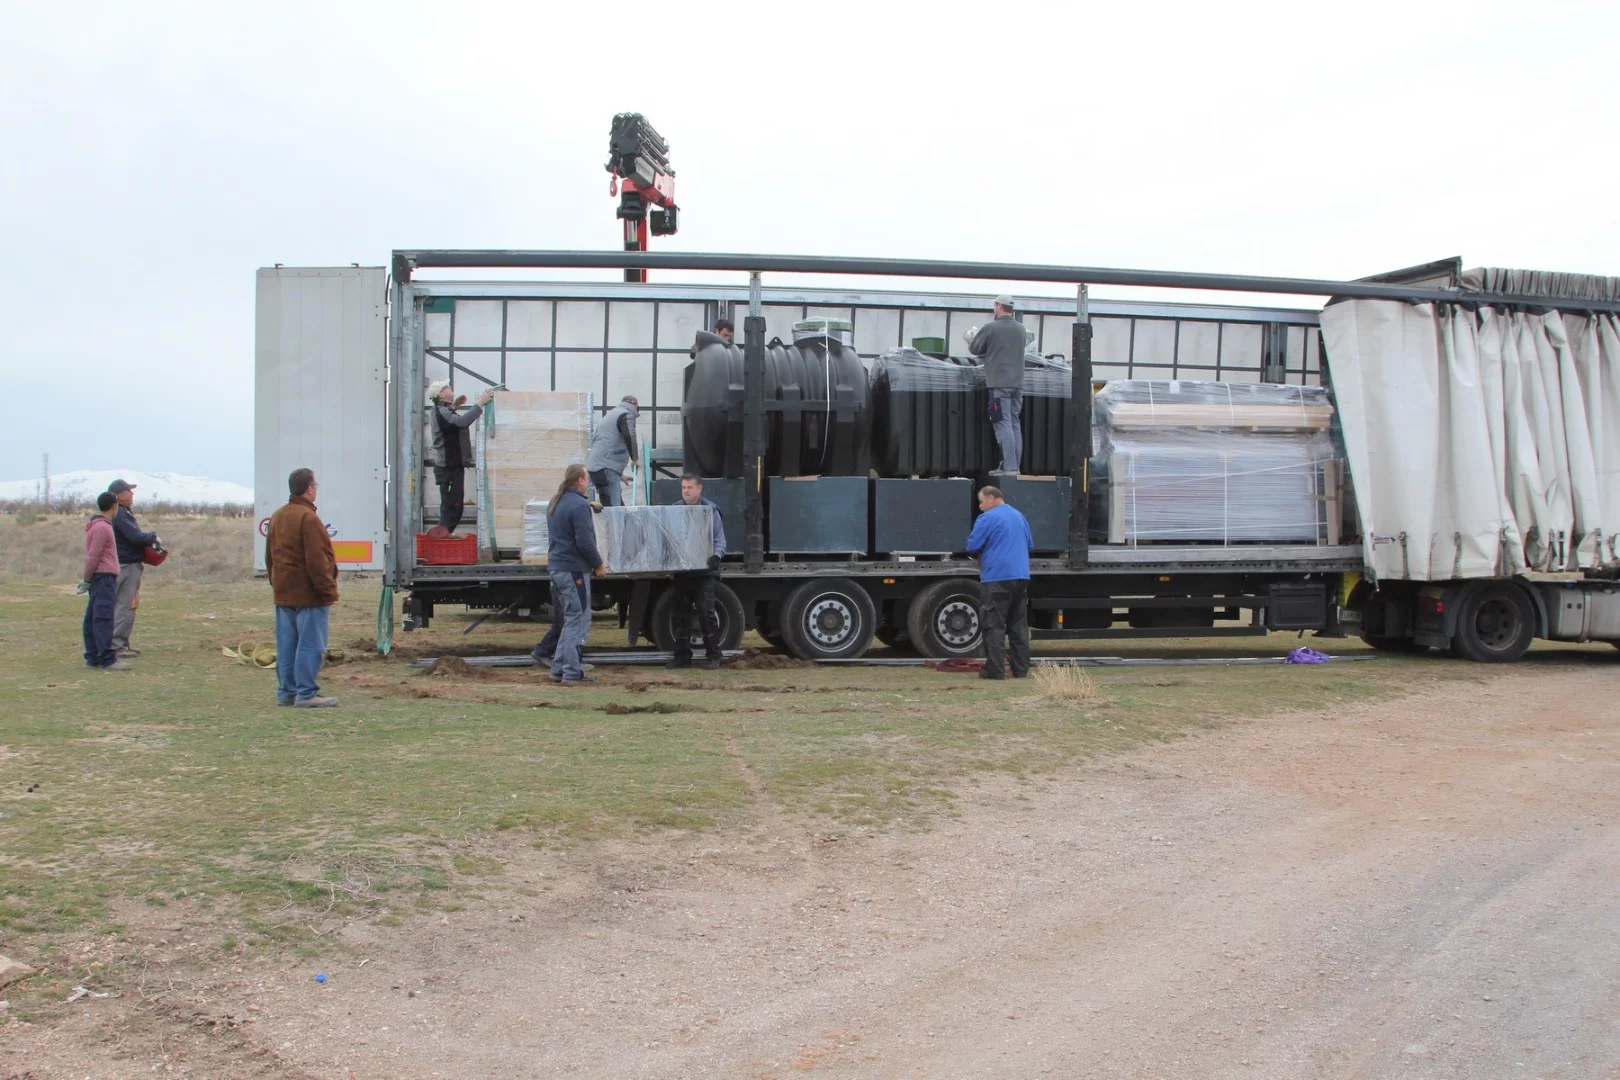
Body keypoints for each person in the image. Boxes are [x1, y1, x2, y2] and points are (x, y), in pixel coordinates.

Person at [265, 468, 340, 707]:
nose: (316, 489)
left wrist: (276, 583)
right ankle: (307, 694)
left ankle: (287, 692)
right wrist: (328, 591)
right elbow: (318, 560)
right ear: (309, 489)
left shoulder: (277, 516)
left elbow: (270, 556)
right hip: (309, 594)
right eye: (315, 485)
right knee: (310, 645)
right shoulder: (309, 518)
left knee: (287, 645)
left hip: (284, 592)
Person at [546, 463, 607, 684]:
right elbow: (585, 542)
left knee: (570, 619)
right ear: (580, 480)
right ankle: (572, 672)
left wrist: (587, 505)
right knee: (579, 620)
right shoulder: (578, 506)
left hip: (557, 568)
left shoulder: (556, 501)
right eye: (587, 478)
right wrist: (599, 564)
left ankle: (559, 668)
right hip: (574, 570)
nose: (588, 481)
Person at [964, 485, 1033, 680]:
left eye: (981, 501)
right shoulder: (1019, 516)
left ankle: (995, 670)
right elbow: (1029, 544)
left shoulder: (987, 518)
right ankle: (1020, 670)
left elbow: (972, 545)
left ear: (991, 499)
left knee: (994, 625)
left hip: (997, 577)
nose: (980, 506)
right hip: (1020, 576)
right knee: (1018, 625)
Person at [665, 474, 727, 670]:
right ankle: (682, 656)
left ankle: (714, 655)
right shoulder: (674, 510)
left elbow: (720, 540)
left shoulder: (710, 510)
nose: (686, 491)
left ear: (699, 489)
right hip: (683, 571)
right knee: (680, 614)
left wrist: (716, 556)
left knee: (706, 613)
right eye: (683, 487)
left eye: (690, 487)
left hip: (705, 572)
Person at [967, 294, 1027, 475]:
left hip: (999, 383)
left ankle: (1009, 467)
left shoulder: (991, 328)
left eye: (995, 307)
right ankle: (1014, 465)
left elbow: (976, 349)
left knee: (1003, 422)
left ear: (999, 307)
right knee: (1015, 422)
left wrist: (971, 338)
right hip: (1018, 383)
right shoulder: (1021, 329)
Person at [428, 381, 495, 533]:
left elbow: (448, 424)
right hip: (448, 470)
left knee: (452, 502)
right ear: (441, 395)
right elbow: (461, 422)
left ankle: (444, 534)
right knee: (452, 503)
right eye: (447, 387)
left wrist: (454, 406)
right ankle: (441, 535)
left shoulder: (443, 410)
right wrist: (480, 403)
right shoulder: (442, 411)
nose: (450, 388)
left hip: (451, 468)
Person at [107, 478, 158, 658]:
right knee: (126, 604)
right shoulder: (121, 514)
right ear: (120, 495)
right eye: (129, 490)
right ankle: (117, 646)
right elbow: (135, 537)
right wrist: (152, 536)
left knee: (122, 604)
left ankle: (120, 643)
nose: (132, 494)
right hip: (127, 565)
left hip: (123, 563)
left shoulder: (119, 513)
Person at [83, 492, 128, 672]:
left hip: (99, 577)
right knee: (103, 618)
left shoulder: (99, 525)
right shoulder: (103, 527)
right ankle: (107, 660)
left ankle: (93, 656)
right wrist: (87, 578)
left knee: (93, 618)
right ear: (113, 506)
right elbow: (93, 556)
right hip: (103, 577)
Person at [586, 395, 640, 507]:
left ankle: (611, 523)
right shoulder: (626, 414)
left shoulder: (611, 415)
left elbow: (605, 446)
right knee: (616, 510)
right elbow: (630, 435)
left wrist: (619, 474)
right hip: (606, 469)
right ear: (635, 404)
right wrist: (635, 458)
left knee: (609, 505)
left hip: (596, 468)